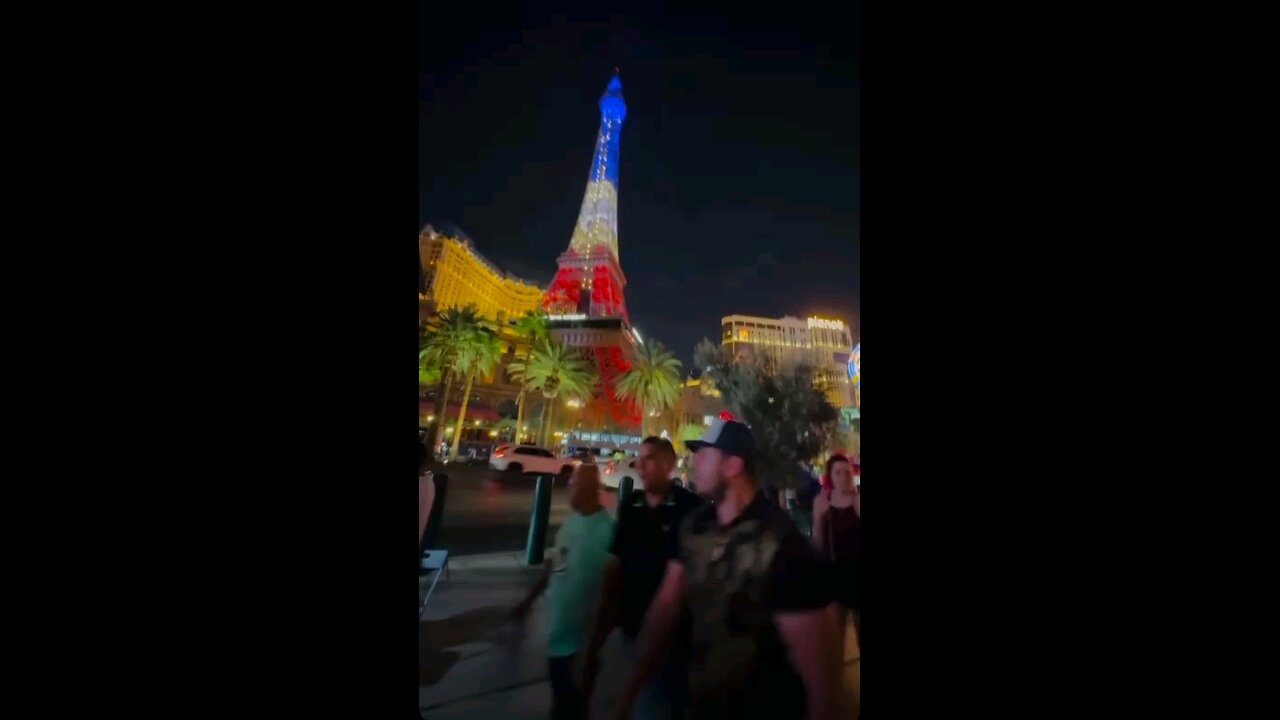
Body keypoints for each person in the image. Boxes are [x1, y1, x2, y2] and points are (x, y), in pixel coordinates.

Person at [614, 418, 843, 720]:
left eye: (705, 454)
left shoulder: (782, 546)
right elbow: (665, 608)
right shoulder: (695, 526)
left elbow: (819, 677)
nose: (694, 461)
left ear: (733, 465)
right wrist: (630, 691)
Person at [580, 437, 704, 718]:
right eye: (639, 459)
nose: (640, 466)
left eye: (648, 458)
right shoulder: (632, 507)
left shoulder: (691, 509)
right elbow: (616, 570)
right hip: (632, 628)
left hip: (674, 637)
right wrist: (596, 639)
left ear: (669, 463)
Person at [510, 464, 614, 720]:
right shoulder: (572, 522)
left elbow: (610, 594)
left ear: (588, 489)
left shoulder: (607, 531)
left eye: (573, 483)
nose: (568, 488)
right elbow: (556, 562)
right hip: (559, 638)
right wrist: (529, 600)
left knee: (571, 708)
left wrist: (591, 649)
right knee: (560, 701)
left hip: (580, 647)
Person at [812, 454, 861, 653]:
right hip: (834, 580)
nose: (843, 476)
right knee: (834, 642)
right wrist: (819, 515)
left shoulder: (859, 500)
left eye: (847, 472)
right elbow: (818, 543)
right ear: (830, 477)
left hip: (858, 578)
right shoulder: (823, 502)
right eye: (838, 472)